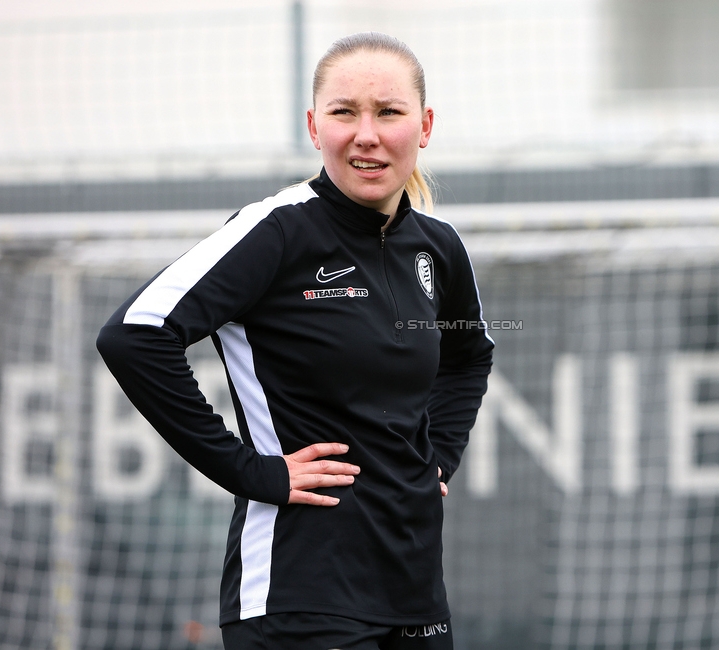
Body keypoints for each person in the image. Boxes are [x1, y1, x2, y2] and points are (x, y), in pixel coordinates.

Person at [96, 32, 493, 650]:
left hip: (414, 592)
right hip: (295, 594)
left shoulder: (438, 247)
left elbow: (470, 357)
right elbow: (134, 335)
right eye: (344, 113)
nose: (367, 134)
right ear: (314, 126)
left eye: (388, 112)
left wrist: (438, 454)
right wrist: (248, 470)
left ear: (425, 124)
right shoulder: (278, 229)